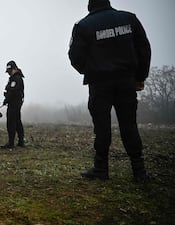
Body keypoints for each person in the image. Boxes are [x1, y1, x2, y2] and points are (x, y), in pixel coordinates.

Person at [68, 0, 151, 182]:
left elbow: (74, 56)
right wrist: (139, 77)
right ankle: (139, 171)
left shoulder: (83, 26)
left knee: (102, 126)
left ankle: (101, 169)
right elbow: (144, 48)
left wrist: (90, 70)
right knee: (129, 124)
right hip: (126, 81)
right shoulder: (129, 19)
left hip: (99, 83)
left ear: (90, 5)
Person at [1, 60, 25, 149]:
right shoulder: (15, 78)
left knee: (11, 122)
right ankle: (21, 141)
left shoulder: (16, 78)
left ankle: (11, 143)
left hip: (14, 104)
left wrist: (6, 99)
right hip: (16, 103)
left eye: (9, 71)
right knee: (17, 122)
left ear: (14, 69)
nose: (8, 73)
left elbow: (13, 92)